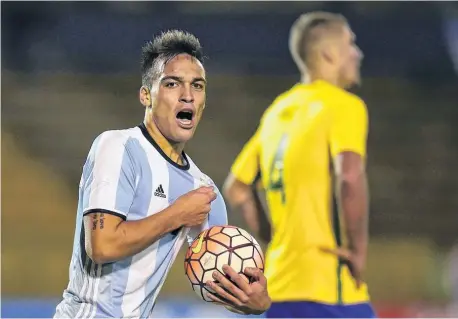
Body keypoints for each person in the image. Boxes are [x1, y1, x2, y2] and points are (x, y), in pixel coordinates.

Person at [54, 30, 270, 318]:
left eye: (197, 86)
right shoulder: (119, 148)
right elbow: (101, 246)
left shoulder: (204, 191)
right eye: (172, 84)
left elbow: (217, 280)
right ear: (146, 95)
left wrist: (255, 303)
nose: (187, 96)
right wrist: (177, 215)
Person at [223, 12, 376, 318]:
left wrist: (272, 237)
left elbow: (237, 187)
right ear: (329, 53)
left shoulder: (277, 113)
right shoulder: (343, 105)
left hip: (278, 290)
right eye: (350, 44)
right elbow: (349, 176)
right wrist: (358, 250)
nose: (357, 53)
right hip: (329, 290)